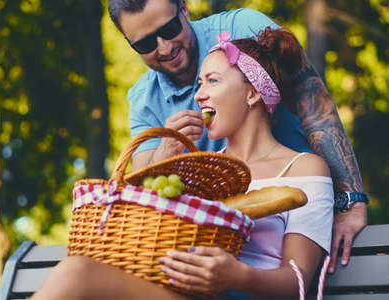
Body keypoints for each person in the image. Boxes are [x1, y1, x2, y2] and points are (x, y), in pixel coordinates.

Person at [32, 27, 333, 300]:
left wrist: (237, 276)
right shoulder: (203, 174)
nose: (199, 95)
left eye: (213, 81)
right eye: (199, 83)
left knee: (78, 274)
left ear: (253, 93)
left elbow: (297, 284)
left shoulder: (304, 168)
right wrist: (164, 157)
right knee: (80, 274)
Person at [108, 0, 368, 273]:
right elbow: (143, 197)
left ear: (183, 8)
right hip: (219, 249)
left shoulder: (241, 28)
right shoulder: (142, 100)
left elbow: (314, 104)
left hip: (292, 223)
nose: (164, 47)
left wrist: (350, 201)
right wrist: (166, 150)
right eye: (145, 44)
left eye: (170, 29)